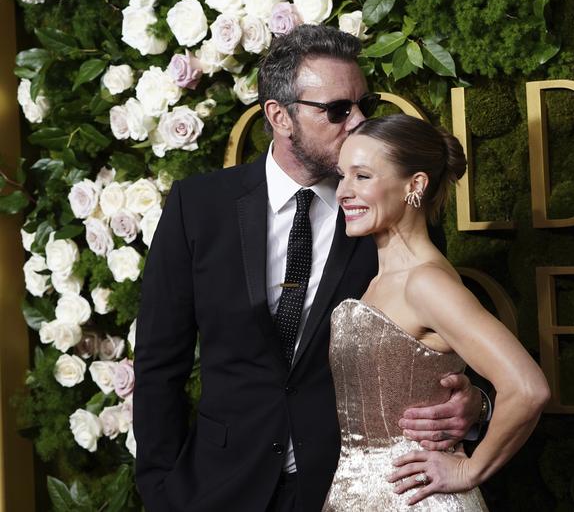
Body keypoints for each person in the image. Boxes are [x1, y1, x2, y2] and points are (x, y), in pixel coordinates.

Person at [133, 26, 485, 512]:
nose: (359, 122)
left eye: (366, 104)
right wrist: (159, 489)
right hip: (217, 487)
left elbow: (445, 348)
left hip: (347, 488)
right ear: (280, 116)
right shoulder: (199, 207)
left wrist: (472, 404)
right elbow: (158, 363)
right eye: (338, 110)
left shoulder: (391, 212)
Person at [322, 114, 550, 511]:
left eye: (362, 176)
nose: (343, 191)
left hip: (415, 500)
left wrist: (470, 470)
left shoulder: (425, 283)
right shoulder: (382, 280)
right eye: (342, 176)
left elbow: (528, 388)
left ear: (416, 185)